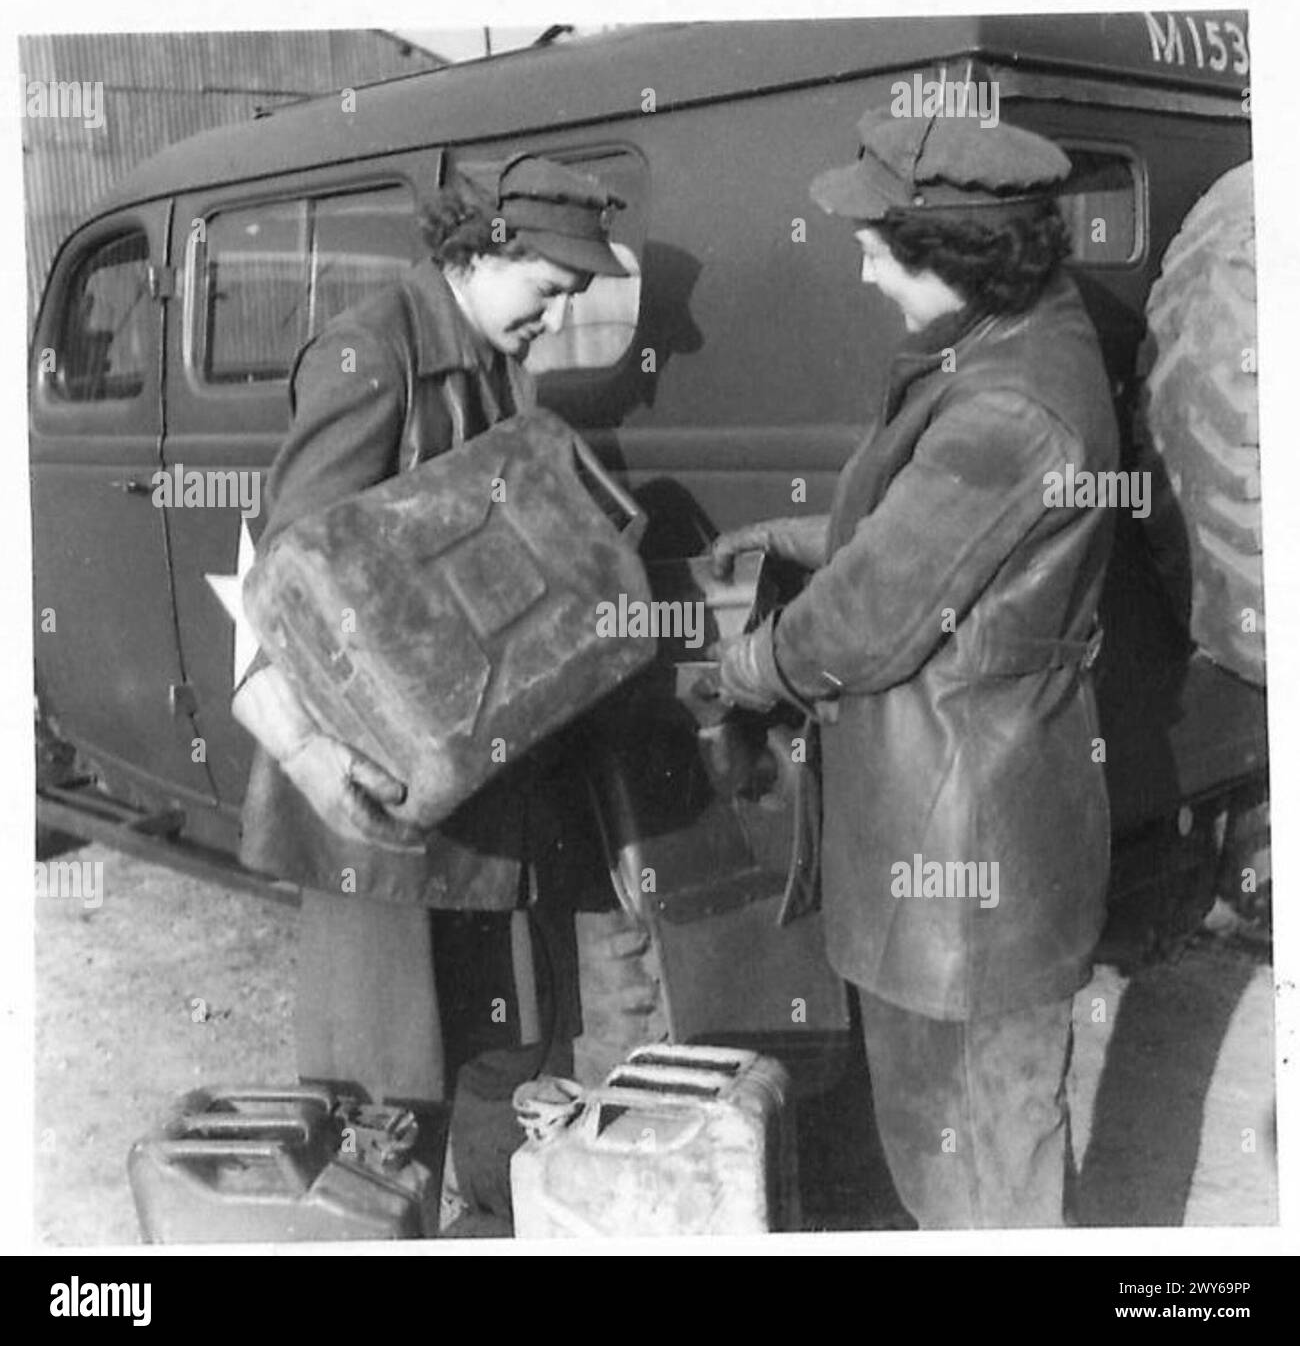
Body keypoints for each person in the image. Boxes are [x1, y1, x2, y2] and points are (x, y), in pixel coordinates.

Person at [711, 108, 1119, 1228]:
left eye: (879, 244)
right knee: (957, 1148)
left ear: (953, 254)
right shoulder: (1013, 341)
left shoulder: (1009, 401)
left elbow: (864, 625)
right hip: (964, 843)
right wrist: (792, 538)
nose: (859, 262)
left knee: (975, 1171)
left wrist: (739, 670)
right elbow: (933, 537)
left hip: (959, 870)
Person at [231, 152, 629, 1227]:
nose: (552, 321)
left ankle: (494, 1225)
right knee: (388, 1090)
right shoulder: (371, 356)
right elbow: (282, 588)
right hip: (373, 796)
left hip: (473, 781)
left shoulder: (485, 361)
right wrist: (313, 760)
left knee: (504, 1045)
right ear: (485, 248)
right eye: (547, 292)